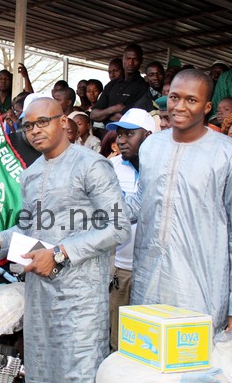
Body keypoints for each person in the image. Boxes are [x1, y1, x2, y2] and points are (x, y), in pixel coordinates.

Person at [0, 97, 131, 382]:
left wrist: (60, 253)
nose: (34, 130)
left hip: (80, 299)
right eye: (28, 126)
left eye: (42, 122)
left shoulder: (91, 165)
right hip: (39, 298)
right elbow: (27, 230)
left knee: (78, 373)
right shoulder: (30, 174)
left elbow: (118, 227)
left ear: (62, 122)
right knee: (41, 372)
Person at [126, 69, 232, 338]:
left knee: (194, 373)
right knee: (145, 366)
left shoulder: (229, 154)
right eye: (175, 97)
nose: (180, 106)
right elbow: (142, 200)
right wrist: (92, 212)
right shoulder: (151, 146)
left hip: (200, 288)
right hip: (148, 282)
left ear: (207, 107)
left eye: (191, 100)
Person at [104, 108, 156, 351]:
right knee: (118, 340)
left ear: (148, 135)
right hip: (121, 267)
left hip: (155, 271)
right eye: (119, 134)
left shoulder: (161, 169)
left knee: (148, 342)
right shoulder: (110, 168)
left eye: (129, 134)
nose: (121, 140)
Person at [91, 44, 150, 124]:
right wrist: (114, 109)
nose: (130, 63)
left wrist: (105, 114)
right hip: (105, 133)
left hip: (127, 134)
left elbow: (128, 118)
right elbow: (94, 115)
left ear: (141, 61)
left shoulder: (143, 86)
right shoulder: (111, 85)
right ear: (123, 59)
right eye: (128, 59)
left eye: (134, 59)